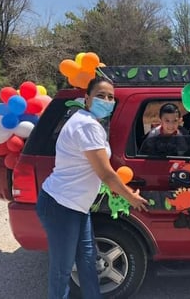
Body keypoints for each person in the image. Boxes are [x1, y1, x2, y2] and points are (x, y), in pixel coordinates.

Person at [36, 77, 149, 299]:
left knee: (88, 261)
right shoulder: (86, 125)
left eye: (110, 97)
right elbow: (105, 173)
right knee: (62, 269)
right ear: (87, 99)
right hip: (61, 205)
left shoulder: (88, 121)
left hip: (77, 207)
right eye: (100, 95)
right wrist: (130, 197)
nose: (106, 101)